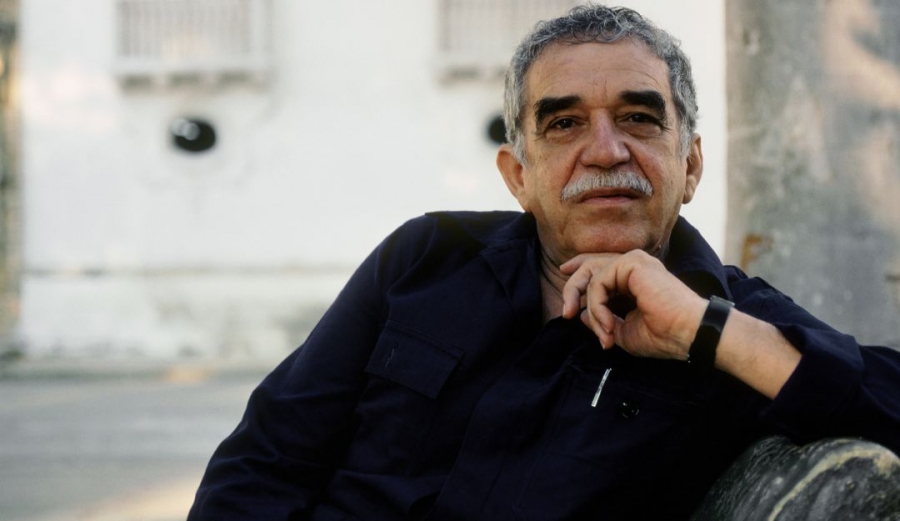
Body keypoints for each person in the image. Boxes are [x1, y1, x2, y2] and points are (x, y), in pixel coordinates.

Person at [187, 5, 900, 520]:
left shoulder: (727, 324)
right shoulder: (424, 259)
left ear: (690, 165)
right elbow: (266, 460)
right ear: (518, 175)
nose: (606, 150)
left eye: (639, 117)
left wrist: (703, 330)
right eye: (564, 123)